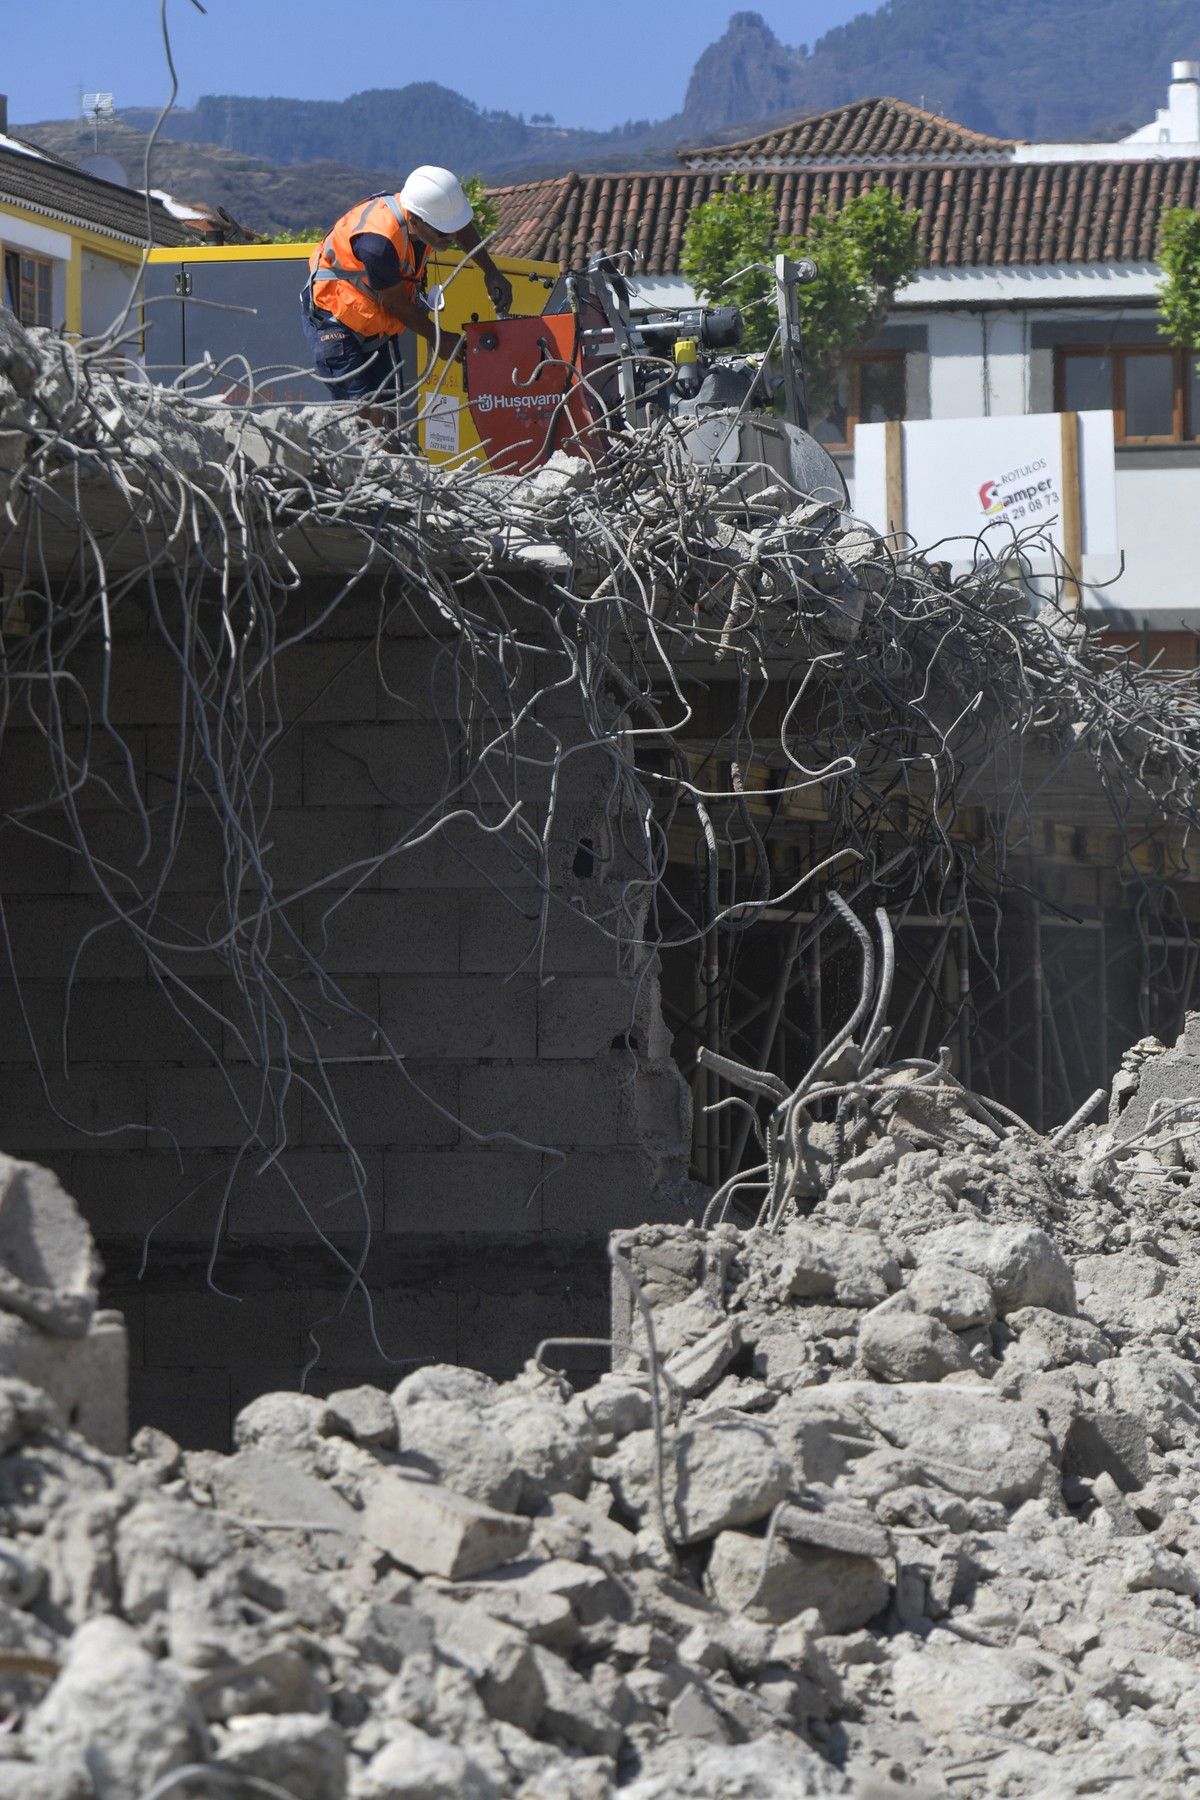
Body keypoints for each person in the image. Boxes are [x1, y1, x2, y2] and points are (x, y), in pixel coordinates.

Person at [301, 166, 514, 414]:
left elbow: (460, 227)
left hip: (374, 323)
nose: (451, 237)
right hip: (335, 320)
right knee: (363, 415)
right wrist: (439, 338)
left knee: (391, 415)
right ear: (414, 221)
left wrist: (491, 271)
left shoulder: (429, 217)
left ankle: (388, 450)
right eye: (444, 233)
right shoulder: (377, 243)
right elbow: (397, 304)